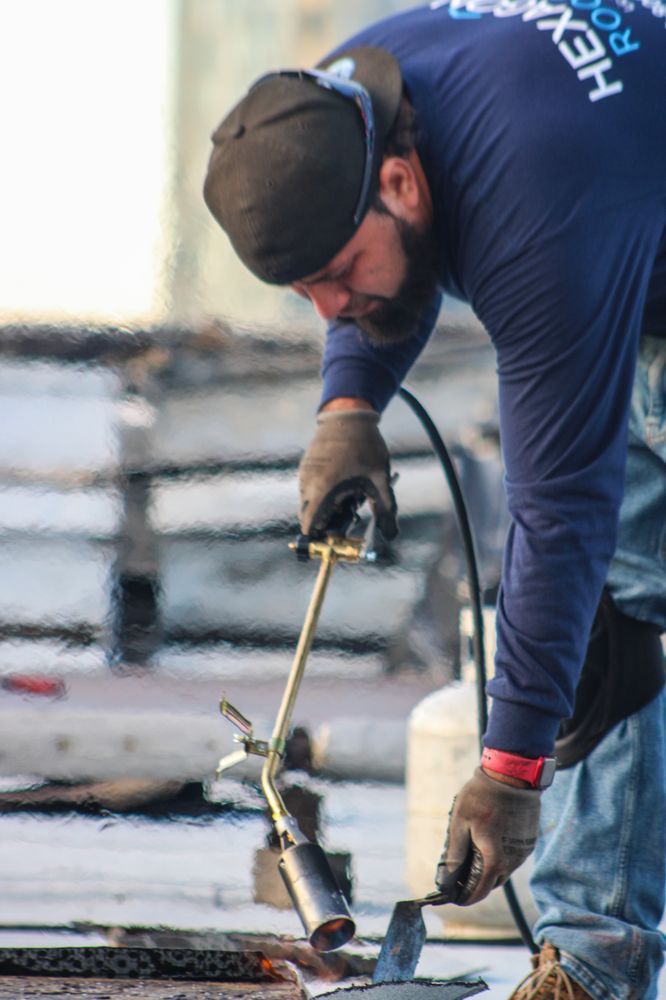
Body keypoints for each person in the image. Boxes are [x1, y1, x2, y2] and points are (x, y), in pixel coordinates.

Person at [202, 4, 666, 997]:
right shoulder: (341, 102)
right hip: (628, 250)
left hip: (616, 242)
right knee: (609, 627)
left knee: (593, 578)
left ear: (403, 183)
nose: (334, 312)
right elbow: (379, 281)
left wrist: (507, 773)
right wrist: (347, 403)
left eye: (336, 280)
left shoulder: (538, 198)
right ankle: (591, 962)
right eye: (307, 298)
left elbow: (558, 510)